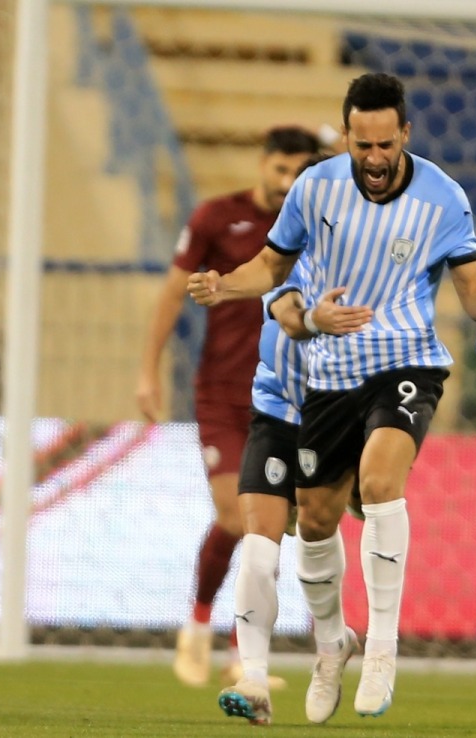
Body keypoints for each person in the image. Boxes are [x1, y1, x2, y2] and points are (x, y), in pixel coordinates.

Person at [187, 72, 476, 722]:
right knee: (313, 520)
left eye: (384, 145)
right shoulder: (316, 188)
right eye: (361, 145)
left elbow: (475, 291)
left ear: (405, 136)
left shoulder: (444, 197)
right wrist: (226, 286)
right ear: (346, 136)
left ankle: (384, 650)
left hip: (405, 363)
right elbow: (273, 269)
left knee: (382, 479)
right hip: (328, 378)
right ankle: (333, 646)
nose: (373, 158)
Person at [136, 125, 321, 688]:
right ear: (263, 163)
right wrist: (147, 370)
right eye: (281, 170)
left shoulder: (314, 224)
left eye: (299, 173)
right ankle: (196, 624)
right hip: (221, 392)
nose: (288, 182)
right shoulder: (217, 217)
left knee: (266, 525)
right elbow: (173, 291)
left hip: (289, 394)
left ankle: (244, 655)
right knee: (232, 515)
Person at [215, 156, 327, 726]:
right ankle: (254, 680)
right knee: (260, 545)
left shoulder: (376, 269)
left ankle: (337, 647)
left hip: (336, 421)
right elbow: (285, 309)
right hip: (277, 415)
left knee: (315, 552)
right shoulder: (279, 263)